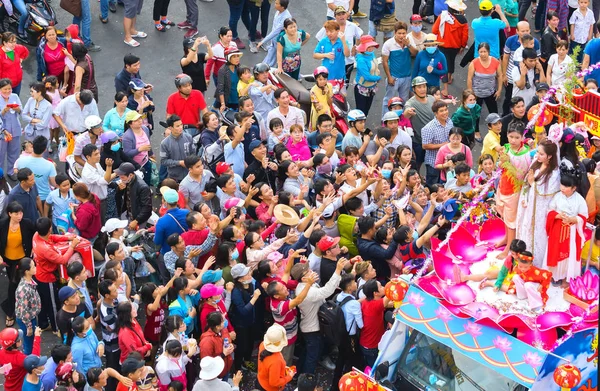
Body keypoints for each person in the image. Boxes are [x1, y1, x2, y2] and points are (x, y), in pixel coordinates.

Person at [31, 218, 80, 333]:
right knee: (53, 305)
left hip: (39, 274)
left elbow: (51, 237)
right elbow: (62, 260)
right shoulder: (45, 249)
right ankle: (56, 328)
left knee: (43, 302)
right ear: (49, 229)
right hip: (48, 279)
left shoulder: (36, 235)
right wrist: (72, 246)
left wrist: (67, 237)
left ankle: (43, 324)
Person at [516, 141, 560, 265]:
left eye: (541, 154)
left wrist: (532, 183)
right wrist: (525, 196)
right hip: (528, 205)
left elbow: (545, 194)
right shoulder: (536, 163)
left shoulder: (554, 173)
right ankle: (522, 258)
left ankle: (535, 263)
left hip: (540, 211)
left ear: (550, 156)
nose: (538, 155)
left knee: (537, 235)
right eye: (538, 152)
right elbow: (527, 181)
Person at [544, 169, 588, 286]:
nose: (562, 188)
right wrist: (557, 215)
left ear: (574, 188)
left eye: (566, 186)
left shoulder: (580, 200)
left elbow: (584, 216)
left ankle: (566, 278)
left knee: (569, 254)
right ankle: (555, 275)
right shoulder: (558, 196)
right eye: (562, 184)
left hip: (571, 231)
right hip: (557, 229)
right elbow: (550, 210)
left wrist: (573, 219)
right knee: (555, 252)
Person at [496, 123, 532, 259]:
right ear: (506, 135)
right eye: (511, 137)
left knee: (511, 221)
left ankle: (509, 247)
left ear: (523, 137)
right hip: (503, 185)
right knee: (504, 215)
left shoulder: (525, 155)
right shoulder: (507, 149)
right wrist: (502, 162)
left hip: (514, 191)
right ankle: (506, 238)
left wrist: (507, 163)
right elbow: (500, 166)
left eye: (517, 137)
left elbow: (520, 176)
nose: (513, 140)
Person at [315, 6, 361, 86]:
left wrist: (355, 46)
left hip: (348, 61)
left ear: (347, 15)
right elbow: (319, 38)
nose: (341, 16)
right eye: (339, 14)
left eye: (343, 14)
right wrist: (324, 52)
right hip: (331, 63)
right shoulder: (330, 25)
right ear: (335, 16)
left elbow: (359, 36)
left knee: (344, 84)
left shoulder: (352, 26)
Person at [432, 0, 468, 96]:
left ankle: (445, 89)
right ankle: (450, 76)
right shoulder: (463, 20)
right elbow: (465, 36)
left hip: (442, 45)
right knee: (451, 60)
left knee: (443, 64)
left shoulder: (442, 17)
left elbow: (434, 30)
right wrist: (462, 46)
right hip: (455, 46)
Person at [467, 43, 502, 133]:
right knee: (476, 115)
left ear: (488, 52)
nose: (483, 54)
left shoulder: (495, 62)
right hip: (477, 94)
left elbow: (499, 76)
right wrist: (471, 94)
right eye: (481, 52)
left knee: (494, 113)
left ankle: (495, 130)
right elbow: (469, 79)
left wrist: (499, 90)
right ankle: (476, 132)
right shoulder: (474, 63)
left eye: (484, 51)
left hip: (491, 93)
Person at [381, 22, 414, 117]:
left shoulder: (409, 41)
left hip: (407, 77)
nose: (401, 35)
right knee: (388, 100)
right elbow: (385, 62)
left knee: (404, 100)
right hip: (394, 78)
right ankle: (385, 119)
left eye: (403, 33)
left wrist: (409, 45)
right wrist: (389, 77)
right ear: (395, 33)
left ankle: (402, 120)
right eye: (399, 33)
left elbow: (415, 53)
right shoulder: (388, 44)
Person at [359, 279, 393, 367]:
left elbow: (387, 304)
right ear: (375, 293)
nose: (383, 287)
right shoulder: (376, 305)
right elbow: (392, 292)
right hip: (372, 346)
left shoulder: (367, 301)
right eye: (381, 286)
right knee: (375, 370)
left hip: (366, 343)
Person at [15, 136, 56, 202]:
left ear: (33, 146)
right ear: (45, 149)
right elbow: (53, 183)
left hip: (27, 196)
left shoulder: (20, 161)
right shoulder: (50, 165)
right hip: (44, 197)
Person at [0, 327, 42, 391]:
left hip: (8, 386)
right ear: (15, 344)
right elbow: (34, 359)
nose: (21, 340)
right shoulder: (19, 358)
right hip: (19, 388)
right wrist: (37, 337)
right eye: (19, 339)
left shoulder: (1, 352)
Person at [421, 100, 453, 186]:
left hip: (447, 161)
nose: (445, 112)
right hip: (433, 162)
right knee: (433, 186)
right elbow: (425, 145)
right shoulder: (429, 128)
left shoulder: (449, 122)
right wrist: (443, 145)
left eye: (446, 109)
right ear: (435, 113)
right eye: (441, 111)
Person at [14, 258, 40, 355]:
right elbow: (23, 311)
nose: (35, 268)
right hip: (27, 320)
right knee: (29, 344)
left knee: (30, 341)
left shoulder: (29, 282)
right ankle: (29, 363)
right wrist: (29, 327)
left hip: (31, 317)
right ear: (27, 271)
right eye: (33, 266)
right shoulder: (23, 289)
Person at [257, 324, 295, 391]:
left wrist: (283, 367)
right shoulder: (276, 360)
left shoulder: (263, 344)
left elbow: (267, 365)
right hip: (269, 389)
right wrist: (289, 377)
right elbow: (274, 382)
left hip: (261, 381)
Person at [313, 20, 350, 87]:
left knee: (340, 96)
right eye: (327, 31)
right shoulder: (323, 41)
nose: (329, 34)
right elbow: (315, 55)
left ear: (338, 31)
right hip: (326, 77)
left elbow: (347, 54)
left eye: (331, 31)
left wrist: (343, 41)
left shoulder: (342, 41)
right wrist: (325, 55)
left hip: (339, 76)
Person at [160, 114, 196, 182]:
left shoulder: (188, 137)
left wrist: (189, 162)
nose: (181, 127)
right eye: (177, 126)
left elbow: (193, 153)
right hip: (174, 178)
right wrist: (179, 163)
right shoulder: (165, 143)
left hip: (189, 175)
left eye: (181, 125)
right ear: (170, 128)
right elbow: (163, 161)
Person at [122, 111, 153, 186]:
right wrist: (140, 149)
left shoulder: (145, 129)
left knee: (147, 179)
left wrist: (151, 153)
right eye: (136, 120)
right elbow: (126, 153)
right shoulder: (127, 136)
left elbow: (148, 142)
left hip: (146, 161)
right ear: (130, 123)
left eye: (140, 118)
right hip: (134, 165)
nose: (140, 121)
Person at [199, 311, 234, 379]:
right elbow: (206, 362)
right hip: (216, 375)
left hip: (225, 368)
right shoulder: (207, 341)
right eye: (222, 321)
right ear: (217, 326)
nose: (225, 322)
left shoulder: (223, 330)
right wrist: (223, 354)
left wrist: (230, 345)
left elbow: (228, 339)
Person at [258, 0, 292, 67]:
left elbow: (276, 31)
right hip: (274, 41)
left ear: (282, 7)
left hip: (280, 42)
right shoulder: (278, 12)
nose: (275, 4)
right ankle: (262, 68)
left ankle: (264, 69)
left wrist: (263, 41)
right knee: (271, 56)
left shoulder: (286, 17)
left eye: (277, 3)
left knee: (275, 59)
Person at [0, 78, 22, 177]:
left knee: (14, 152)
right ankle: (0, 174)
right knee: (1, 153)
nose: (8, 91)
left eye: (9, 89)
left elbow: (21, 111)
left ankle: (11, 172)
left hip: (15, 129)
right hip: (2, 131)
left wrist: (17, 109)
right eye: (5, 89)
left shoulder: (15, 96)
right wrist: (4, 111)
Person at [354, 35, 381, 116]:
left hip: (371, 88)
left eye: (372, 46)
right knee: (361, 112)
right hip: (362, 88)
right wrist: (378, 78)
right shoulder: (361, 60)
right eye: (368, 47)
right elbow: (367, 77)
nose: (371, 48)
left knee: (366, 110)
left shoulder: (371, 54)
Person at [215, 47, 243, 112]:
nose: (237, 59)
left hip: (239, 98)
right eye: (234, 57)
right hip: (228, 101)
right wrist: (222, 104)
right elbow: (220, 88)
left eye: (238, 56)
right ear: (228, 58)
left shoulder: (238, 67)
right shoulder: (222, 70)